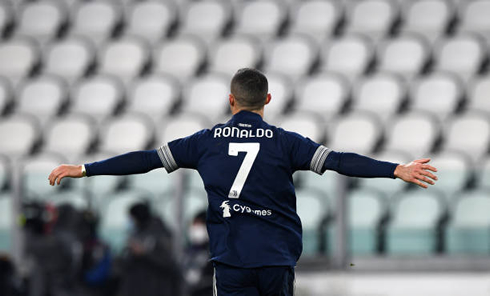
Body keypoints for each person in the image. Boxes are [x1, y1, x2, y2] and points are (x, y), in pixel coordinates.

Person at [48, 68, 438, 296]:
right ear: (267, 99)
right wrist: (395, 169)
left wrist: (84, 168)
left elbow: (146, 160)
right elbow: (339, 161)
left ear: (230, 100)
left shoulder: (203, 142)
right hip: (276, 259)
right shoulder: (287, 143)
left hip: (231, 260)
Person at [118, 202, 181, 296]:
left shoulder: (159, 233)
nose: (130, 221)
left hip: (156, 288)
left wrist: (144, 253)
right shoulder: (137, 233)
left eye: (131, 218)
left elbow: (168, 262)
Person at [182, 211, 214, 296]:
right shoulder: (189, 251)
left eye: (199, 225)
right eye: (194, 224)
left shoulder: (215, 252)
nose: (195, 228)